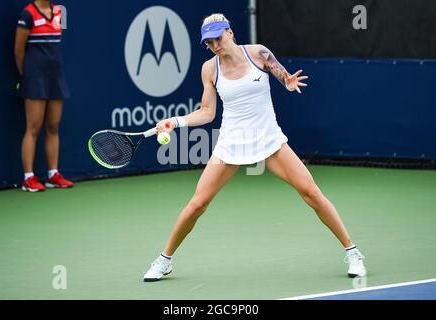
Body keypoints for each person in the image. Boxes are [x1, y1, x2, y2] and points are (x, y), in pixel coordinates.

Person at [144, 13, 366, 281]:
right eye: (209, 42)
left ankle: (352, 252)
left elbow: (282, 76)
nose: (215, 45)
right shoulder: (209, 69)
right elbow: (207, 112)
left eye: (217, 38)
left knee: (312, 194)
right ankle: (164, 259)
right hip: (230, 144)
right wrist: (175, 122)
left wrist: (287, 82)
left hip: (268, 140)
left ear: (230, 32)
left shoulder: (259, 53)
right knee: (197, 205)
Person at [14, 0, 73, 192]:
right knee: (33, 127)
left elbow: (55, 45)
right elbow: (18, 51)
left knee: (53, 126)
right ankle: (28, 177)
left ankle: (52, 174)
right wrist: (27, 75)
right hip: (34, 77)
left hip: (55, 77)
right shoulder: (28, 14)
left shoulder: (57, 12)